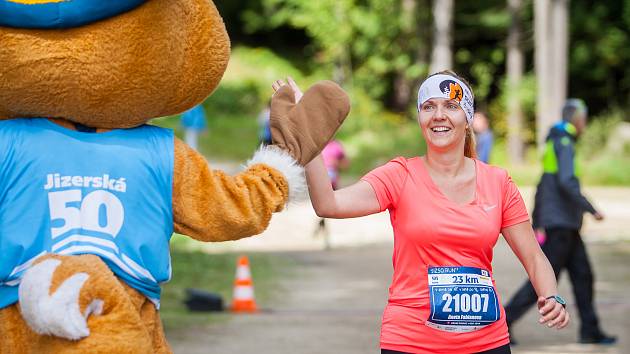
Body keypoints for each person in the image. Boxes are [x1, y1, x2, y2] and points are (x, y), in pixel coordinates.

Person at [273, 72, 569, 354]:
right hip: (411, 341)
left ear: (467, 119)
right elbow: (329, 205)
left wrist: (550, 294)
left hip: (486, 342)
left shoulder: (498, 182)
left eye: (451, 106)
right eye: (429, 106)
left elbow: (533, 256)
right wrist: (309, 132)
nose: (438, 114)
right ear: (420, 118)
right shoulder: (399, 175)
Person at [504, 99, 616, 345]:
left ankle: (590, 330)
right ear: (577, 118)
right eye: (584, 117)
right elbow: (566, 182)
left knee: (583, 276)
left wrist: (538, 216)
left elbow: (544, 182)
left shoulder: (556, 139)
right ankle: (505, 320)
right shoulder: (564, 142)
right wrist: (591, 208)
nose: (585, 122)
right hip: (560, 225)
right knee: (541, 279)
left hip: (565, 224)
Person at [313, 140, 350, 249]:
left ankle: (323, 232)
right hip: (319, 183)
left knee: (327, 211)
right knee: (324, 211)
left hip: (332, 183)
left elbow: (346, 164)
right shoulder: (317, 144)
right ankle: (325, 236)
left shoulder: (336, 146)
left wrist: (336, 163)